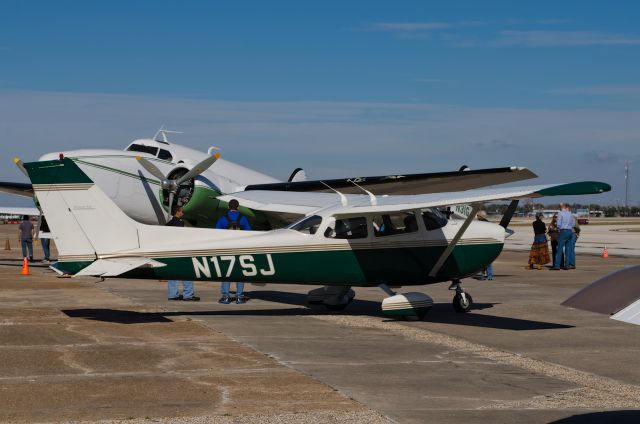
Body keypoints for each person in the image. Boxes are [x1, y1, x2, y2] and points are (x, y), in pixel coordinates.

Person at [216, 199, 251, 304]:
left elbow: (216, 234)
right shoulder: (243, 219)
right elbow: (248, 234)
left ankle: (225, 297)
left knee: (226, 274)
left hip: (226, 250)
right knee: (239, 274)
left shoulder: (222, 219)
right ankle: (239, 297)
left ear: (228, 207)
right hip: (240, 250)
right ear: (238, 207)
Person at [165, 207, 199, 301]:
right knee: (187, 273)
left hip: (170, 253)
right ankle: (188, 295)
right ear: (177, 212)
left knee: (172, 274)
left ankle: (172, 295)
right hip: (180, 252)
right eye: (182, 211)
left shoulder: (168, 224)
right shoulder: (180, 223)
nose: (183, 213)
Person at [551, 203, 575, 271]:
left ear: (562, 207)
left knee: (559, 249)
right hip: (570, 231)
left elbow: (558, 224)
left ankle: (557, 266)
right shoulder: (570, 214)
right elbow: (573, 224)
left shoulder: (560, 213)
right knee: (568, 249)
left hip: (563, 231)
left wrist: (559, 230)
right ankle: (567, 265)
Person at [477, 210, 493, 280]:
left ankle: (487, 276)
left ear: (480, 216)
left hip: (484, 244)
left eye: (477, 215)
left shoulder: (482, 224)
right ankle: (486, 276)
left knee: (486, 262)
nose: (477, 217)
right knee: (486, 262)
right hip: (487, 244)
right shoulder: (488, 223)